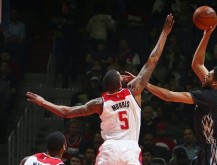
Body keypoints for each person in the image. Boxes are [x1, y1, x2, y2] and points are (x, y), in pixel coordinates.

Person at [25, 14, 174, 165]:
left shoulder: (99, 102)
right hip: (129, 149)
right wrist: (164, 34)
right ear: (120, 82)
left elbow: (66, 112)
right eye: (120, 75)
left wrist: (43, 102)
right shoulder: (134, 91)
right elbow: (152, 60)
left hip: (109, 149)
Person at [123, 26, 217, 164]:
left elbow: (168, 96)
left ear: (215, 83)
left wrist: (144, 83)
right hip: (208, 148)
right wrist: (206, 35)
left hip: (214, 149)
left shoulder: (209, 97)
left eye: (208, 75)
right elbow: (198, 64)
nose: (205, 76)